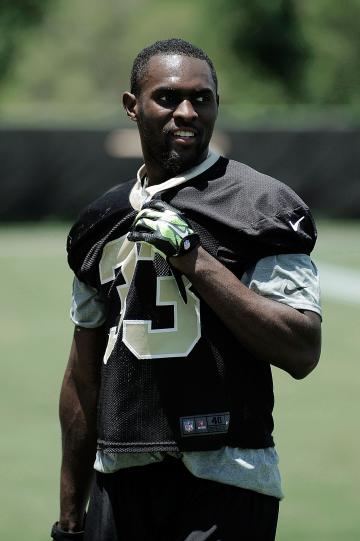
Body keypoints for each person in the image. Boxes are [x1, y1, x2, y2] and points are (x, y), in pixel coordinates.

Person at [51, 38, 322, 541]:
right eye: (168, 98)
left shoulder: (262, 204)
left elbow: (301, 348)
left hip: (226, 478)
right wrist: (71, 513)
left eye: (203, 98)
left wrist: (195, 259)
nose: (187, 113)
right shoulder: (99, 222)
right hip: (119, 481)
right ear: (132, 107)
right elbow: (83, 378)